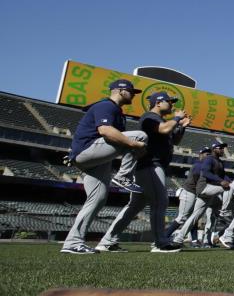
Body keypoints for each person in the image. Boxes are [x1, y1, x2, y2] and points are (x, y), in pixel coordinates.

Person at [61, 79, 147, 254]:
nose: (133, 95)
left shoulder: (118, 112)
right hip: (88, 151)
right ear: (120, 91)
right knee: (139, 136)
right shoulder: (107, 106)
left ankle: (72, 243)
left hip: (93, 157)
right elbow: (105, 131)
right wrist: (133, 144)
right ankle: (123, 176)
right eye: (131, 91)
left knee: (97, 199)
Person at [96, 91, 189, 253]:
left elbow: (174, 138)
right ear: (158, 103)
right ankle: (160, 243)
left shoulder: (161, 120)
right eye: (169, 101)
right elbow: (165, 130)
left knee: (134, 206)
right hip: (149, 164)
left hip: (150, 165)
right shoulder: (149, 117)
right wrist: (176, 118)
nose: (172, 104)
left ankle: (107, 241)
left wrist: (181, 127)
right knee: (160, 201)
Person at [171, 142, 230, 246]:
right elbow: (206, 173)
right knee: (229, 189)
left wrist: (230, 181)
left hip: (209, 192)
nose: (222, 150)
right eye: (220, 148)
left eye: (223, 148)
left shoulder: (220, 162)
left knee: (195, 216)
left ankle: (178, 238)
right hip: (204, 187)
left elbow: (224, 176)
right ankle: (224, 211)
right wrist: (221, 182)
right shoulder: (209, 159)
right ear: (214, 149)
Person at [165, 147, 209, 243]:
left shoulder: (204, 165)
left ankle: (194, 240)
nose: (208, 155)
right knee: (182, 217)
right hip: (189, 192)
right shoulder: (199, 165)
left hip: (193, 193)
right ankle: (164, 237)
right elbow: (199, 181)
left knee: (193, 218)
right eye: (206, 153)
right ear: (200, 155)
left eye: (209, 154)